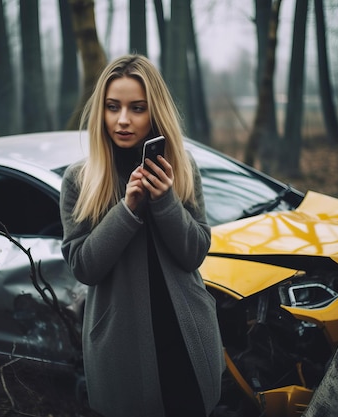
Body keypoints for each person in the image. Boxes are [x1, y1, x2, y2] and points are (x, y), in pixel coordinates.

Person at [60, 54, 225, 417]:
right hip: (122, 345)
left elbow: (194, 253)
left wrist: (165, 200)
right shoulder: (79, 180)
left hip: (186, 334)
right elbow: (84, 267)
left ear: (155, 112)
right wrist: (127, 210)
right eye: (112, 107)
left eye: (137, 108)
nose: (122, 120)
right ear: (100, 112)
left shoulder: (181, 168)